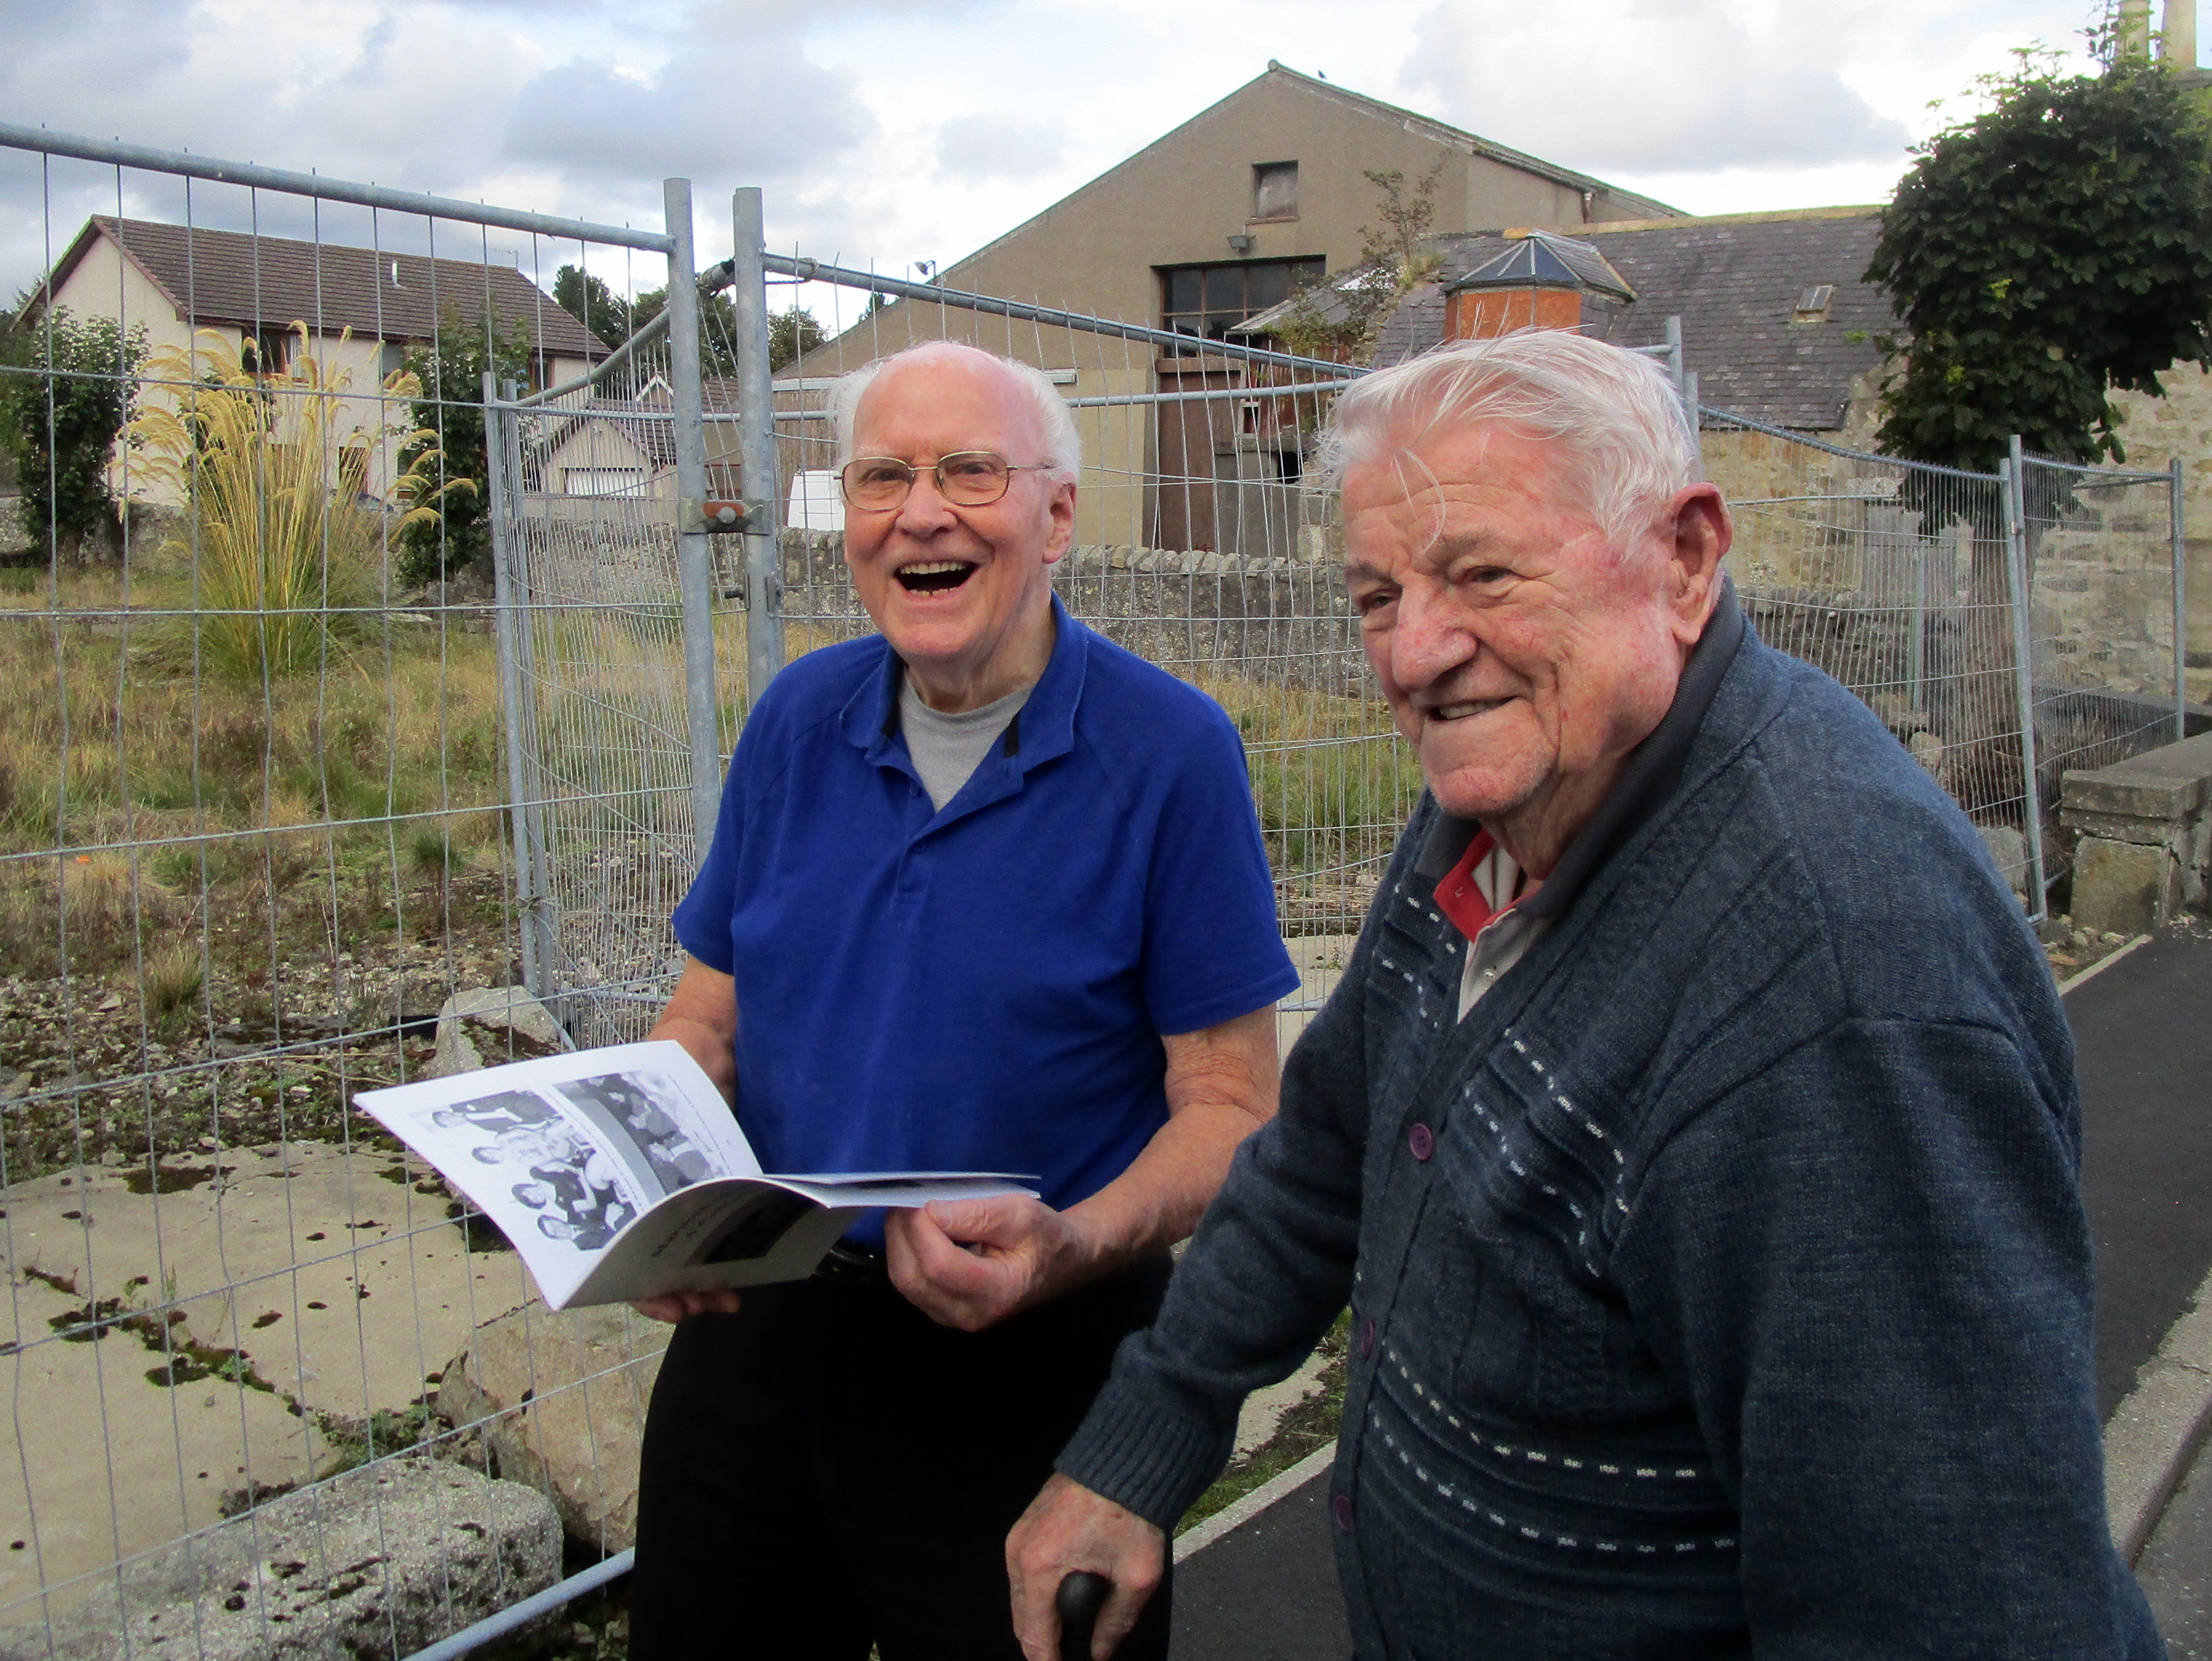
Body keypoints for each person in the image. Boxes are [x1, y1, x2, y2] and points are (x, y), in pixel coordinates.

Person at [1008, 331, 2165, 1660]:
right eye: (1376, 596)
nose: (1414, 653)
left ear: (1682, 559)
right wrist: (1140, 1445)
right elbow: (1325, 1151)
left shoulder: (1836, 989)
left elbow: (1948, 1607)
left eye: (1480, 573)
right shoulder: (1508, 793)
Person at [626, 340, 1300, 1660]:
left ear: (1056, 516)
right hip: (760, 1342)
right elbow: (704, 1023)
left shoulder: (1172, 754)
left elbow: (1230, 1108)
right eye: (879, 477)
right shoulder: (795, 719)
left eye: (966, 471)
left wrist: (1075, 1241)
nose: (918, 512)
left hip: (1036, 1367)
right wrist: (653, 1186)